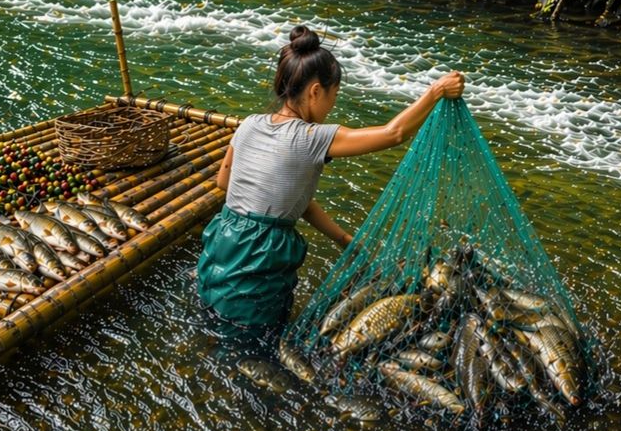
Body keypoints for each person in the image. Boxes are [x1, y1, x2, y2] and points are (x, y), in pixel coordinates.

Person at [196, 25, 465, 337]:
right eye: (333, 95)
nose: (333, 104)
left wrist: (343, 239)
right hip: (261, 256)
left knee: (217, 320)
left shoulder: (248, 125)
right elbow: (394, 133)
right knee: (258, 335)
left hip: (223, 243)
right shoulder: (313, 137)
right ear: (314, 91)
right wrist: (435, 92)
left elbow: (225, 183)